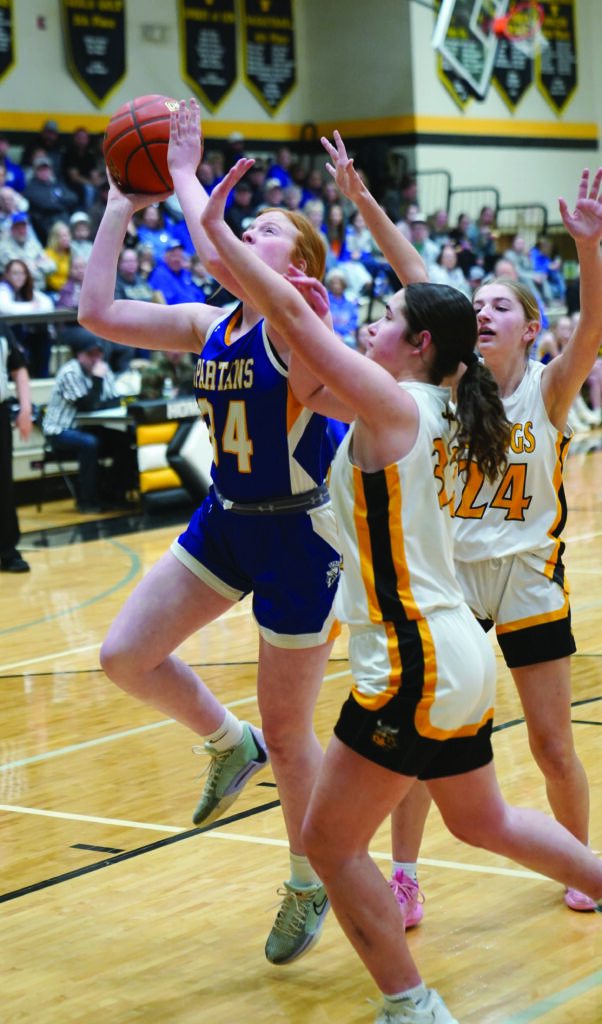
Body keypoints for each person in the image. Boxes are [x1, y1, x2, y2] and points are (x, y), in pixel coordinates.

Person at [201, 133, 602, 1024]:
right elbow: (308, 367)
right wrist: (285, 283)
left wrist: (210, 215)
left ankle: (411, 1005)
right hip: (451, 648)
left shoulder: (394, 403)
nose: (367, 322)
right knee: (483, 821)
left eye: (381, 316)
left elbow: (303, 333)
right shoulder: (432, 399)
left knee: (328, 843)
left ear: (417, 343)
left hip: (415, 656)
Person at [77, 97, 350, 968]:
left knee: (293, 720)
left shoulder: (298, 322)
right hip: (228, 521)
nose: (246, 228)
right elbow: (96, 314)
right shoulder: (212, 325)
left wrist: (191, 177)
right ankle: (231, 746)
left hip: (302, 539)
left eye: (265, 224)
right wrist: (123, 202)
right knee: (125, 655)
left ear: (299, 262)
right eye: (249, 224)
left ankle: (308, 880)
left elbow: (211, 248)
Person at [390, 165, 602, 927]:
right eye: (476, 304)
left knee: (551, 744)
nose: (482, 311)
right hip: (451, 585)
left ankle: (584, 864)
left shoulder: (548, 387)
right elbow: (416, 279)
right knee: (422, 736)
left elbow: (594, 323)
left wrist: (588, 245)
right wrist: (363, 203)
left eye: (500, 304)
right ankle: (404, 877)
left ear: (530, 327)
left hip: (527, 580)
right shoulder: (450, 384)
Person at [42, 327, 135, 513]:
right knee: (90, 443)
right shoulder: (70, 373)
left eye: (98, 354)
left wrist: (100, 385)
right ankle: (86, 500)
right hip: (60, 431)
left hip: (88, 428)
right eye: (90, 355)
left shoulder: (102, 368)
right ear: (79, 355)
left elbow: (113, 400)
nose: (95, 359)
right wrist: (98, 380)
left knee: (127, 441)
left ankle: (114, 494)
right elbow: (88, 406)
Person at [0, 318, 32, 572]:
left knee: (3, 483)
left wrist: (25, 407)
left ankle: (8, 551)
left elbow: (18, 369)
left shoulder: (2, 326)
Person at [0, 258, 55, 377]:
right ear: (6, 275)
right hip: (6, 337)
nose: (19, 277)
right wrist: (32, 306)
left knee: (43, 338)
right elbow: (7, 309)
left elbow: (47, 304)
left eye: (23, 273)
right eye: (15, 273)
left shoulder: (25, 289)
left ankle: (41, 377)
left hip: (21, 336)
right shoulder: (3, 288)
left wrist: (30, 306)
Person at [23, 154, 78, 246]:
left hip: (62, 218)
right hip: (45, 222)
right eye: (40, 169)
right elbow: (46, 205)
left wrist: (57, 200)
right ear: (35, 171)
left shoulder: (56, 184)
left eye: (46, 169)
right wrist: (61, 202)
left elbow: (73, 198)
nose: (44, 172)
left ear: (51, 170)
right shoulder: (31, 187)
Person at [0, 210, 56, 291]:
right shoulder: (3, 247)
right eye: (17, 228)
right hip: (15, 292)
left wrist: (36, 265)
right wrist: (37, 263)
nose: (21, 231)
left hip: (39, 290)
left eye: (23, 227)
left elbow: (52, 266)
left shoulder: (33, 244)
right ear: (11, 229)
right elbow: (19, 270)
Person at [147, 239, 206, 305]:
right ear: (165, 258)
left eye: (180, 256)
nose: (177, 260)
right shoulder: (159, 274)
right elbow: (167, 304)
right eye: (174, 256)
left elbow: (197, 294)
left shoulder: (184, 272)